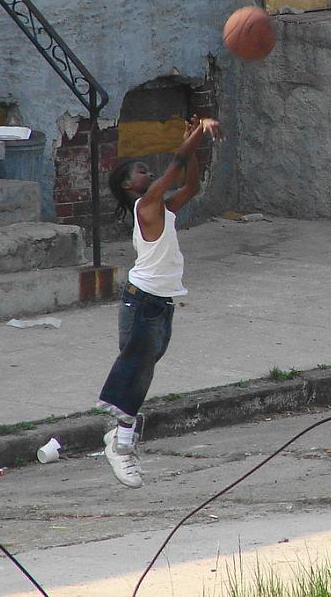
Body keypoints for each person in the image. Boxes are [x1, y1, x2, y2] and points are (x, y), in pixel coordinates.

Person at [96, 115, 221, 488]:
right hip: (143, 300)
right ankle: (120, 443)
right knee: (138, 368)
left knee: (144, 366)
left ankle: (120, 434)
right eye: (139, 170)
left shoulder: (162, 209)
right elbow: (176, 165)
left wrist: (192, 145)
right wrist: (197, 134)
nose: (146, 173)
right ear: (127, 185)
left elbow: (191, 184)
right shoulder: (146, 206)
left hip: (161, 301)